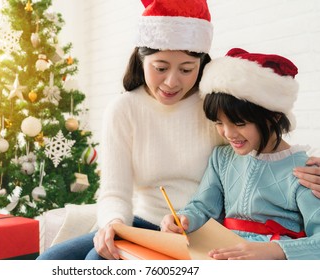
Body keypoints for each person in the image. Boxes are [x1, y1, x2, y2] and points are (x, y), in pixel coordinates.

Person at [37, 0, 320, 260]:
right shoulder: (124, 109)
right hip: (144, 224)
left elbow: (266, 144)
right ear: (141, 60)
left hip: (205, 232)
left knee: (96, 262)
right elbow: (115, 191)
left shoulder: (215, 104)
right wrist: (113, 225)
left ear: (201, 64)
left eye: (186, 69)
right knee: (50, 261)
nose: (171, 82)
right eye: (160, 67)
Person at [160, 48, 320, 260]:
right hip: (220, 252)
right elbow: (202, 206)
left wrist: (274, 251)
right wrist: (182, 219)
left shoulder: (304, 170)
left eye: (239, 123)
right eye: (218, 123)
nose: (228, 134)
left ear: (273, 116)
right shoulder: (222, 158)